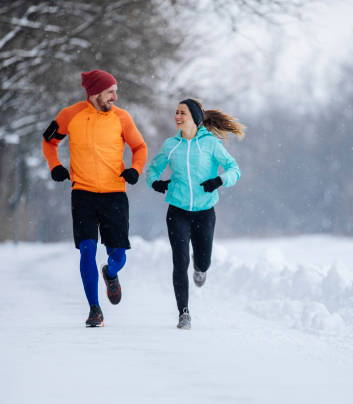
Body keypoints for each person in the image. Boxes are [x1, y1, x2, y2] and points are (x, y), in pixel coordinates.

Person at [42, 69, 147, 327]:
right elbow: (48, 141)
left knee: (119, 256)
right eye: (111, 91)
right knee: (87, 250)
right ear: (96, 92)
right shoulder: (70, 115)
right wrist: (54, 165)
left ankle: (110, 274)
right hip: (83, 194)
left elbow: (139, 147)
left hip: (114, 194)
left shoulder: (122, 118)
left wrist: (135, 169)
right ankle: (94, 309)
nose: (115, 96)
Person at [146, 98, 243, 329]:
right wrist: (155, 183)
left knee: (202, 260)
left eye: (182, 113)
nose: (177, 116)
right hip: (177, 211)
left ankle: (201, 269)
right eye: (176, 112)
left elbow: (234, 169)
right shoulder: (171, 145)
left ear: (195, 119)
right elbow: (152, 169)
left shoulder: (210, 144)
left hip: (204, 212)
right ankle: (184, 313)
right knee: (180, 262)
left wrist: (219, 180)